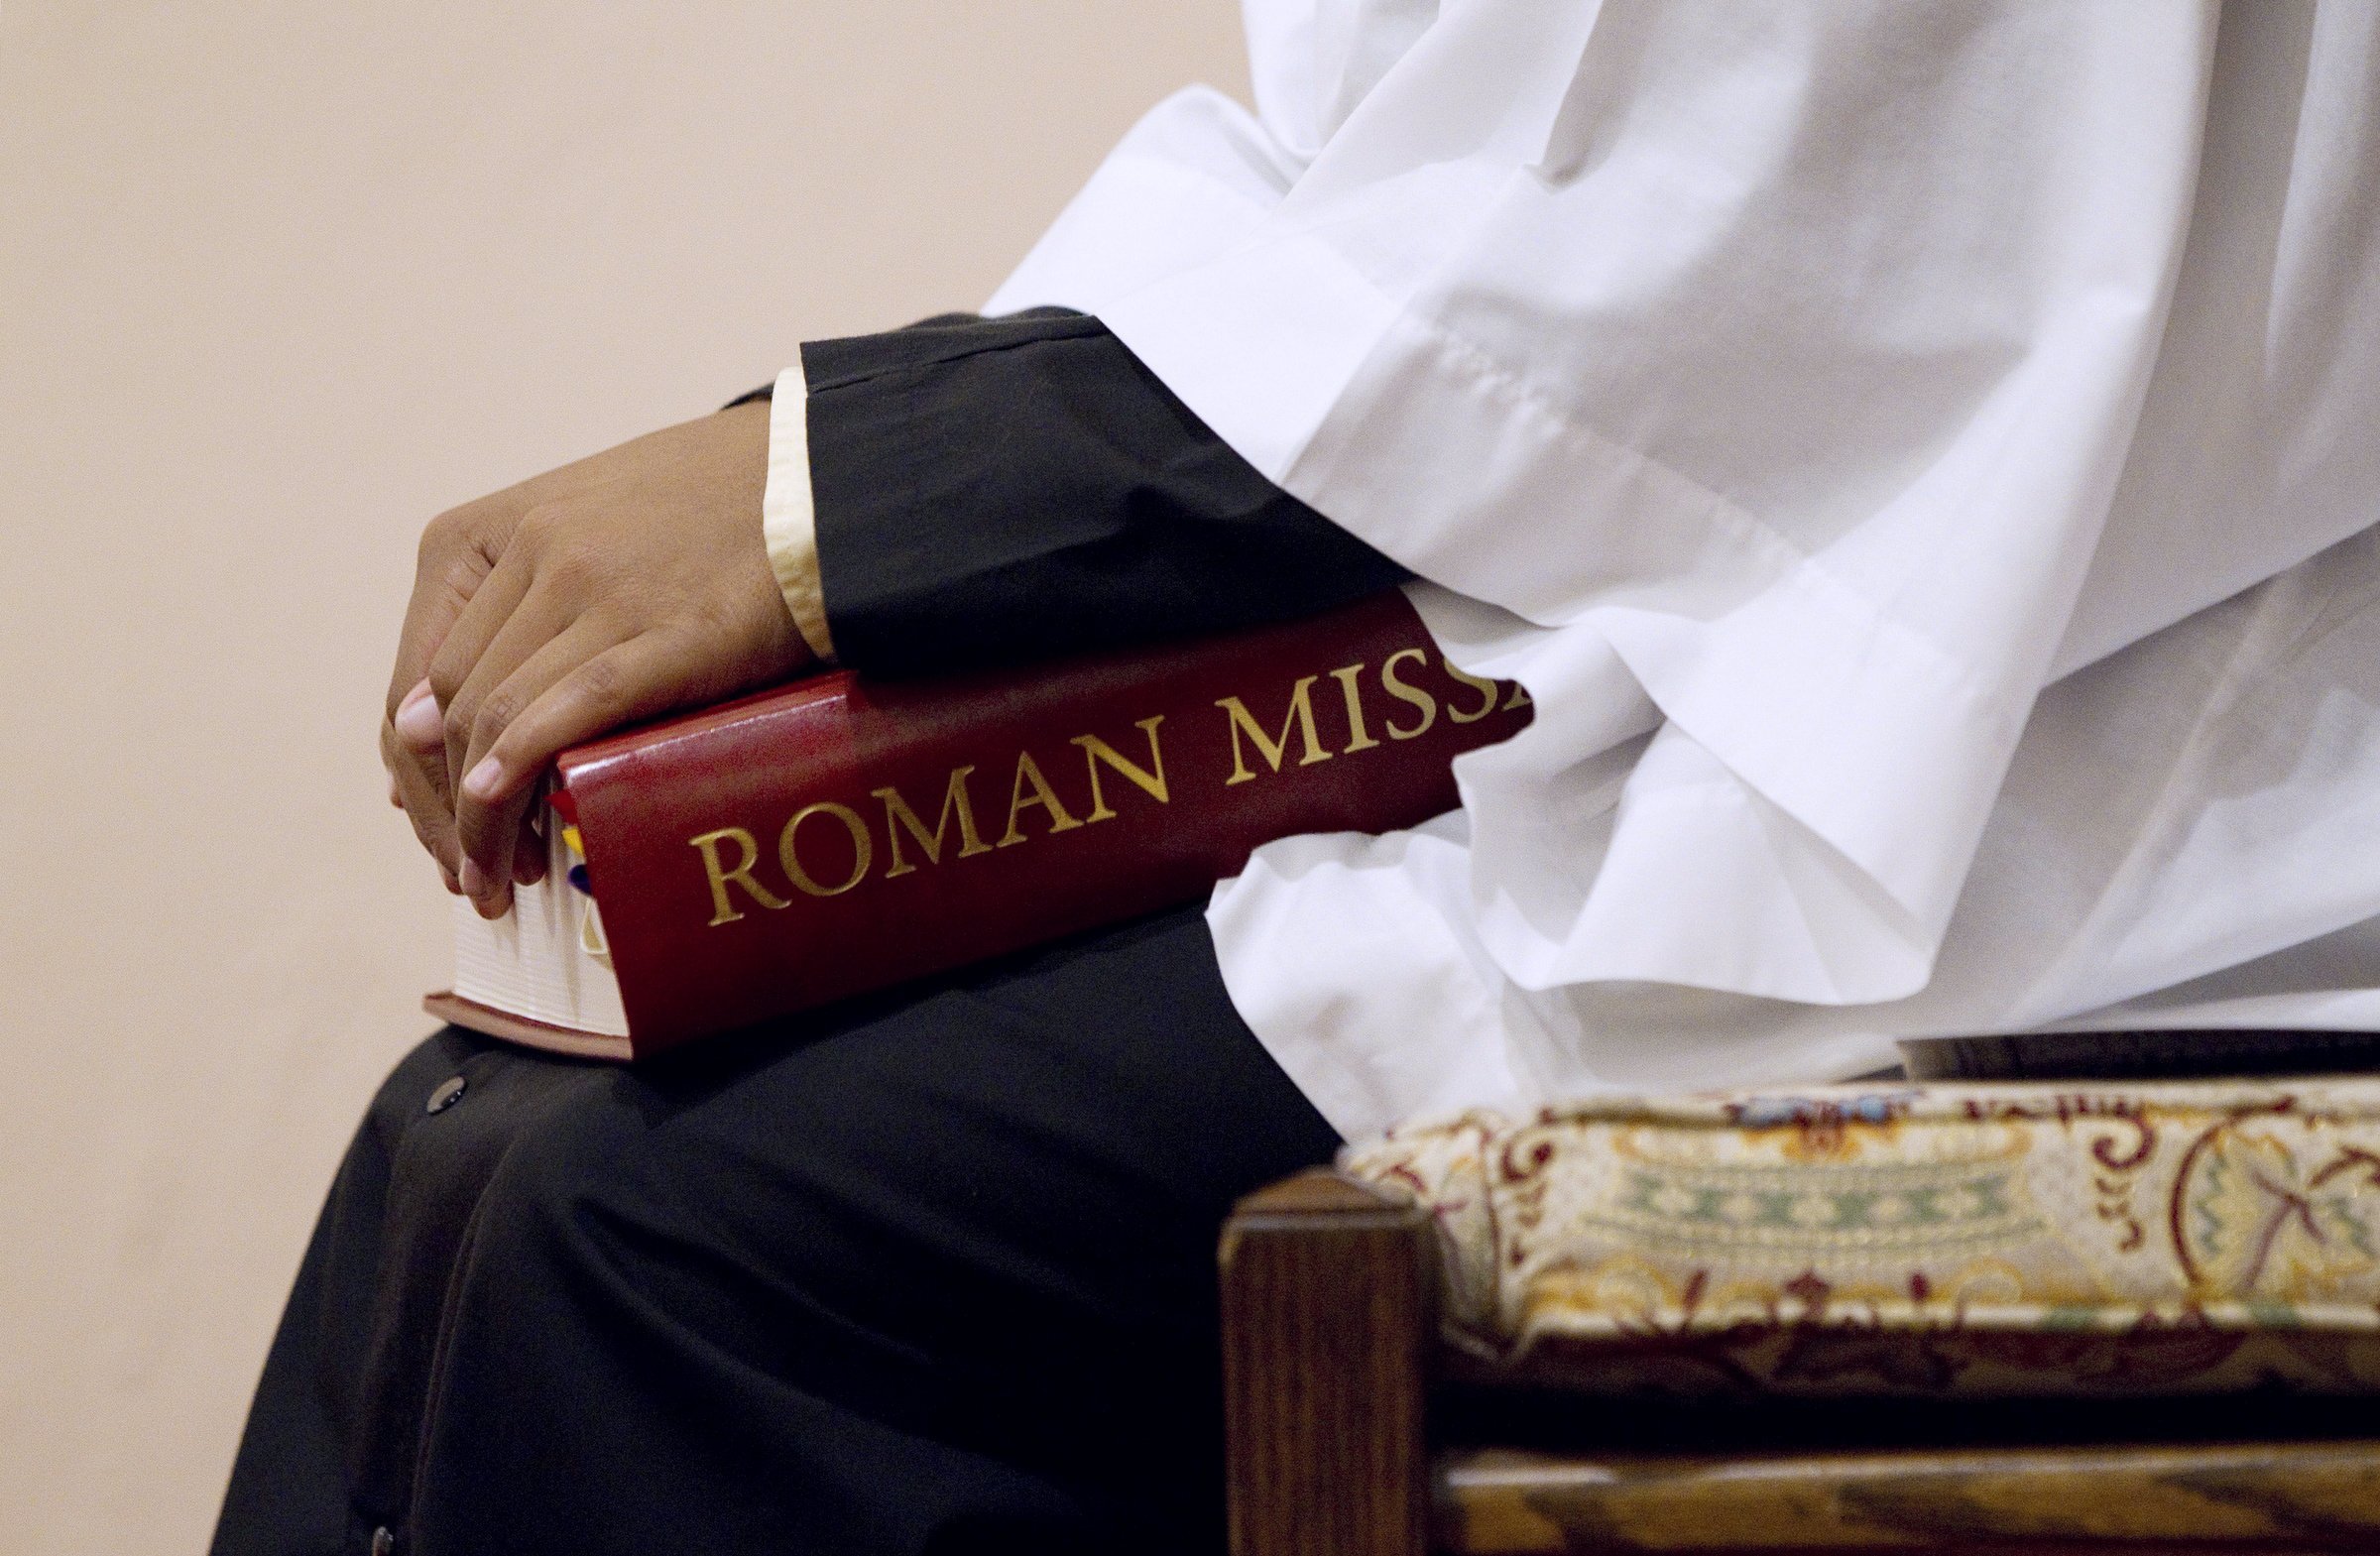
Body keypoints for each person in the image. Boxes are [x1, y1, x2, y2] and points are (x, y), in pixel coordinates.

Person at [217, 4, 2380, 1553]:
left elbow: (1782, 244)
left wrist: (826, 509)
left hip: (2140, 822)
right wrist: (809, 524)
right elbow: (1436, 175)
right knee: (470, 1140)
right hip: (1773, 710)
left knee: (681, 1249)